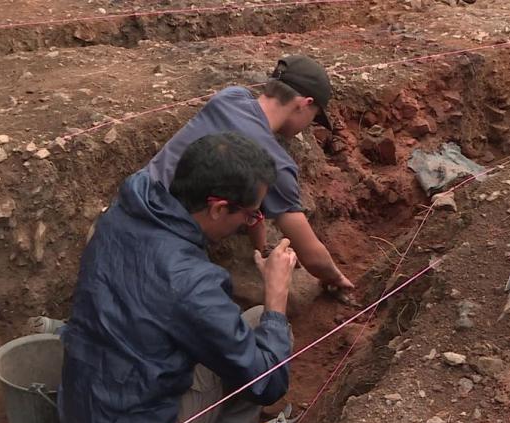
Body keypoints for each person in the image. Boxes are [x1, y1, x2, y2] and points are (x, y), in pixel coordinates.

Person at [58, 132, 296, 423]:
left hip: (83, 412)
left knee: (226, 338)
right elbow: (267, 383)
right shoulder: (191, 281)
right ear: (218, 208)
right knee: (260, 324)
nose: (250, 223)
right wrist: (277, 297)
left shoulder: (122, 214)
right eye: (250, 215)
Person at [146, 54, 354, 292]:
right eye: (314, 116)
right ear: (304, 104)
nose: (310, 123)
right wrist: (335, 277)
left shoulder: (230, 96)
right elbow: (312, 256)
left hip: (133, 202)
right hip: (162, 251)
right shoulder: (275, 164)